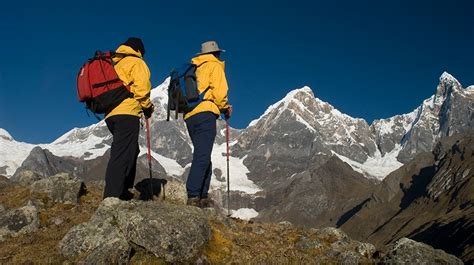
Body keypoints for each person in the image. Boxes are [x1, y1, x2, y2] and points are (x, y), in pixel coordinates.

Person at [103, 37, 154, 200]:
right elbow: (142, 89)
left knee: (131, 149)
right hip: (128, 112)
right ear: (139, 50)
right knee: (122, 152)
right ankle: (112, 195)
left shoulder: (115, 63)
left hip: (111, 114)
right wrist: (147, 107)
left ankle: (123, 189)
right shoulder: (136, 62)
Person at [185, 40, 232, 207]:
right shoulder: (215, 66)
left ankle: (203, 195)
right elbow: (220, 93)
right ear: (216, 54)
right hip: (206, 113)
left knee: (202, 154)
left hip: (190, 115)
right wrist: (225, 108)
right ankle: (193, 195)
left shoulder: (194, 67)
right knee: (202, 155)